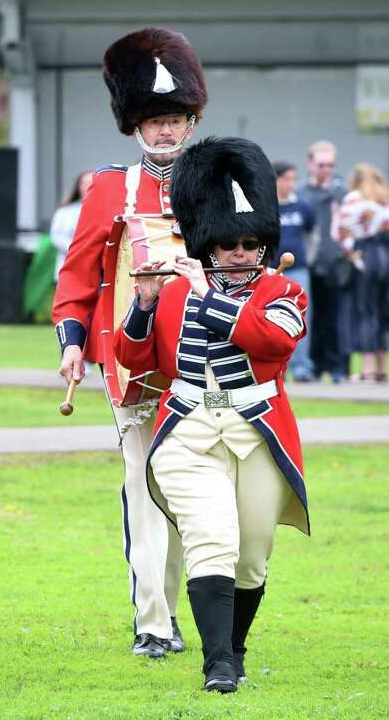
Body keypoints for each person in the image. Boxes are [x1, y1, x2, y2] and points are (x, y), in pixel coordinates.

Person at [116, 136, 309, 693]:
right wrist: (144, 303)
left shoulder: (284, 291)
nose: (241, 252)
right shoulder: (176, 290)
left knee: (252, 556)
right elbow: (134, 358)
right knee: (210, 537)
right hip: (187, 427)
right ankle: (217, 663)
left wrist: (204, 294)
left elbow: (271, 341)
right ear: (207, 241)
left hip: (256, 430)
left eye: (251, 243)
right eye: (228, 243)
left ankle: (235, 648)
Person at [54, 27, 207, 659]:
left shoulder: (212, 180)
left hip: (200, 359)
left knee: (186, 489)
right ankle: (154, 620)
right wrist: (71, 341)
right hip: (128, 359)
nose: (165, 131)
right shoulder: (109, 188)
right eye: (155, 121)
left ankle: (174, 609)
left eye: (174, 119)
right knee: (143, 486)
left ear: (190, 121)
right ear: (135, 126)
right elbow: (77, 274)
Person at [333, 163, 389, 383]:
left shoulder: (354, 199)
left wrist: (352, 255)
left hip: (367, 256)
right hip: (388, 257)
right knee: (384, 311)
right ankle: (382, 369)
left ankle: (367, 370)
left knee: (365, 311)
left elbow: (340, 232)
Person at [298, 141, 349, 383]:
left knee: (336, 317)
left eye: (330, 165)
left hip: (336, 263)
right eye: (321, 165)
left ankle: (337, 366)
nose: (326, 169)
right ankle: (314, 365)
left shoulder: (342, 194)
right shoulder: (301, 193)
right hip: (309, 264)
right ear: (310, 164)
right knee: (311, 317)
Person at [274, 161, 316, 381]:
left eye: (293, 179)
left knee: (302, 317)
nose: (291, 184)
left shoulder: (302, 206)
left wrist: (309, 259)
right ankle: (277, 368)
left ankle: (302, 367)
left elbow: (313, 235)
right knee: (272, 317)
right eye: (286, 179)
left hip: (298, 270)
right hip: (272, 270)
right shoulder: (267, 206)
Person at [49, 170, 93, 277]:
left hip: (94, 269)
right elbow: (56, 236)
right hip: (69, 264)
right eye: (84, 183)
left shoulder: (104, 210)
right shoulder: (65, 211)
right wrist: (79, 249)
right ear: (78, 186)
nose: (87, 186)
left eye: (91, 182)